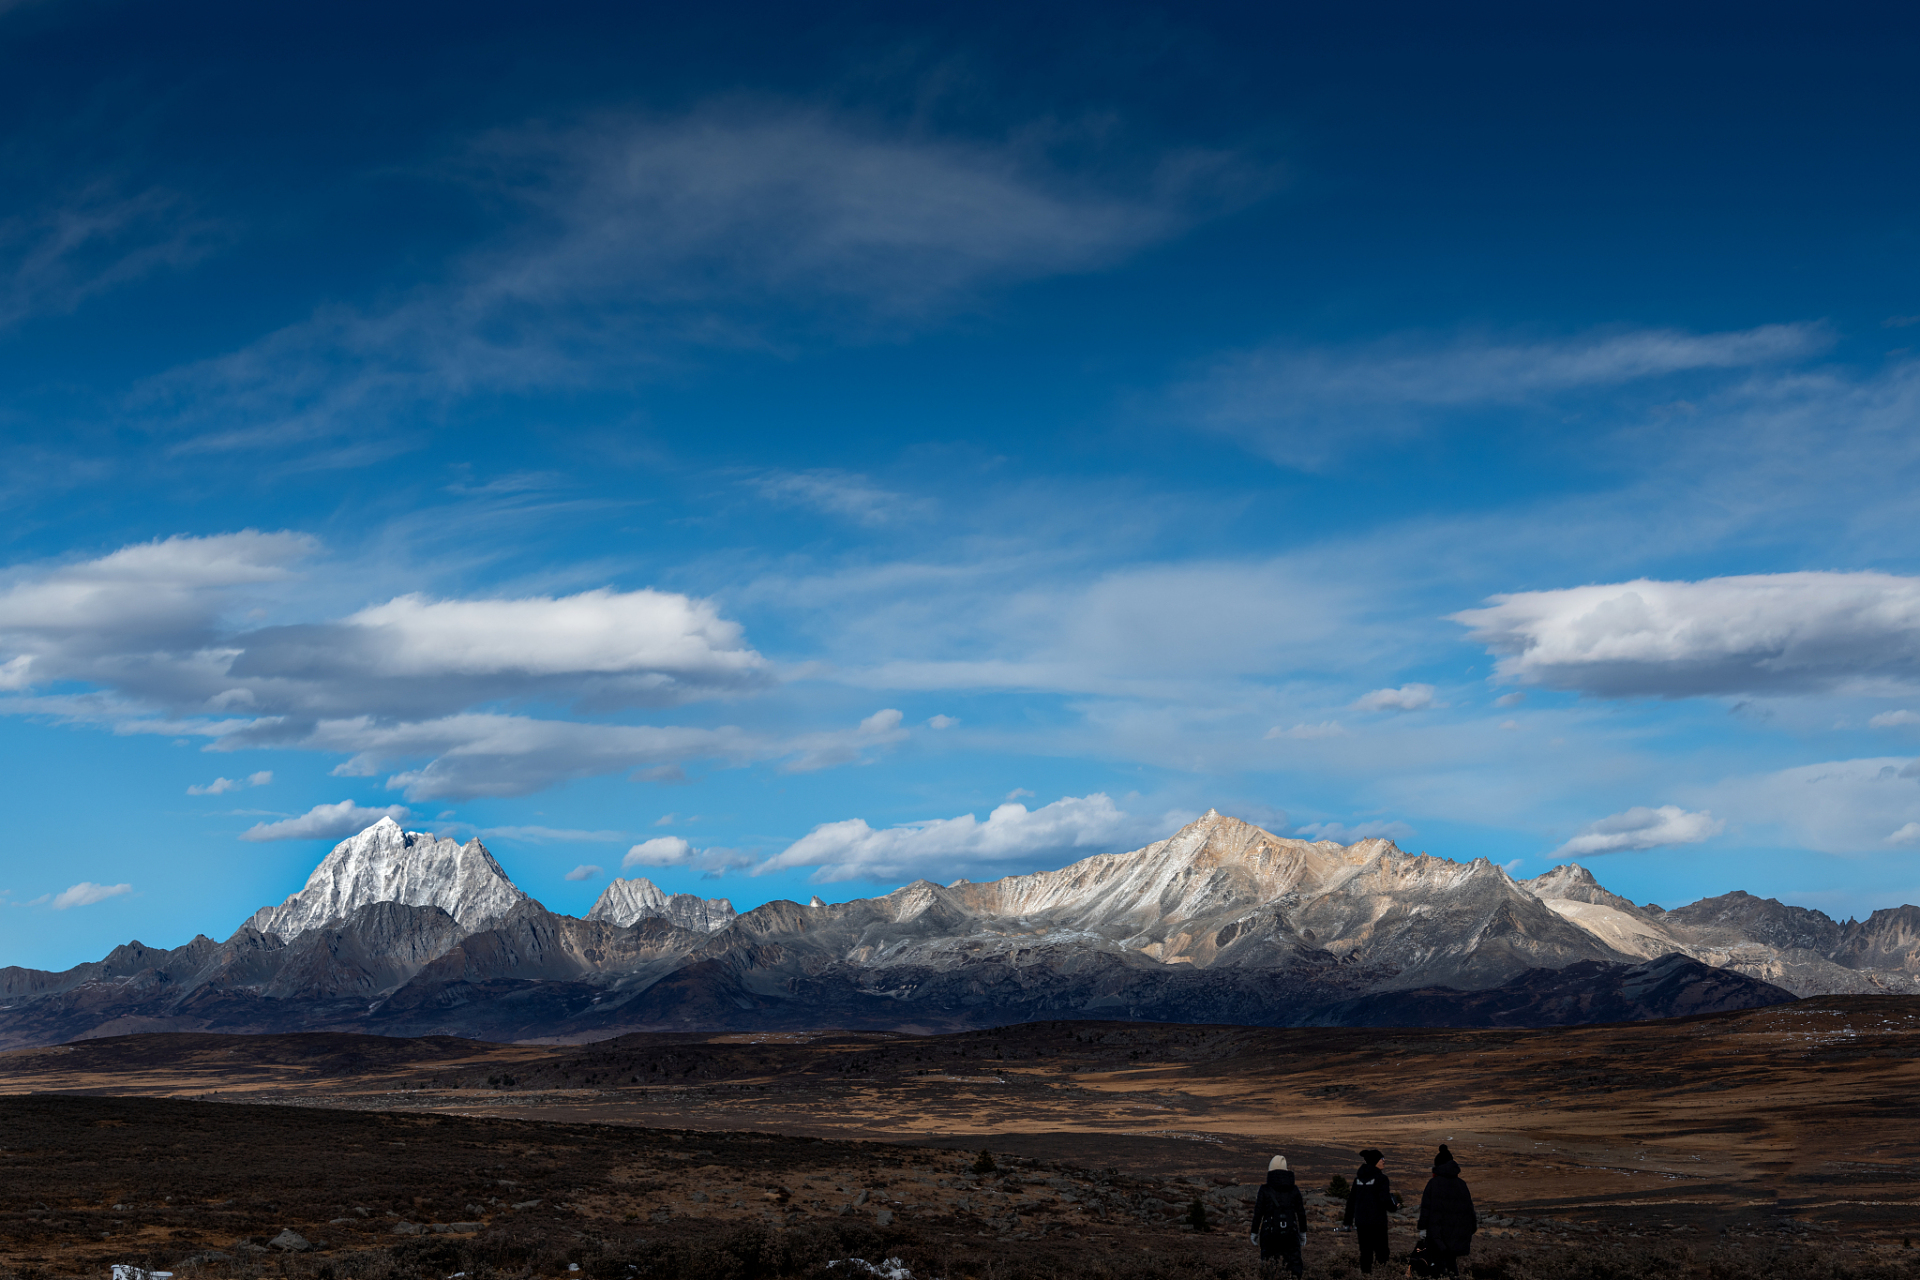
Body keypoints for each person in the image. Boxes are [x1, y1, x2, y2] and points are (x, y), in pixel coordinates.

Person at [1415, 1145, 1476, 1276]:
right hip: (1458, 1235)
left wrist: (1422, 1229)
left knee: (1437, 1267)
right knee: (1451, 1265)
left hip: (1437, 1236)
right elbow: (1469, 1210)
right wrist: (1471, 1229)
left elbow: (1426, 1208)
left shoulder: (1433, 1184)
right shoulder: (1462, 1184)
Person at [1250, 1154, 1307, 1277]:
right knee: (1294, 1265)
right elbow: (1301, 1213)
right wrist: (1303, 1232)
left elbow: (1258, 1212)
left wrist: (1254, 1232)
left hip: (1269, 1235)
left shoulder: (1264, 1190)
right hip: (1291, 1234)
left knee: (1268, 1266)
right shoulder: (1294, 1189)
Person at [1341, 1148, 1395, 1274]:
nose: (1384, 1161)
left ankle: (1366, 1276)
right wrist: (1394, 1207)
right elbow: (1385, 1199)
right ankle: (1381, 1275)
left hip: (1361, 1223)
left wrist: (1347, 1221)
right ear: (1375, 1161)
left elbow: (1351, 1201)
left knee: (1365, 1253)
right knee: (1382, 1253)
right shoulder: (1382, 1179)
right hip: (1377, 1223)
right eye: (1381, 1159)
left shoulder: (1358, 1179)